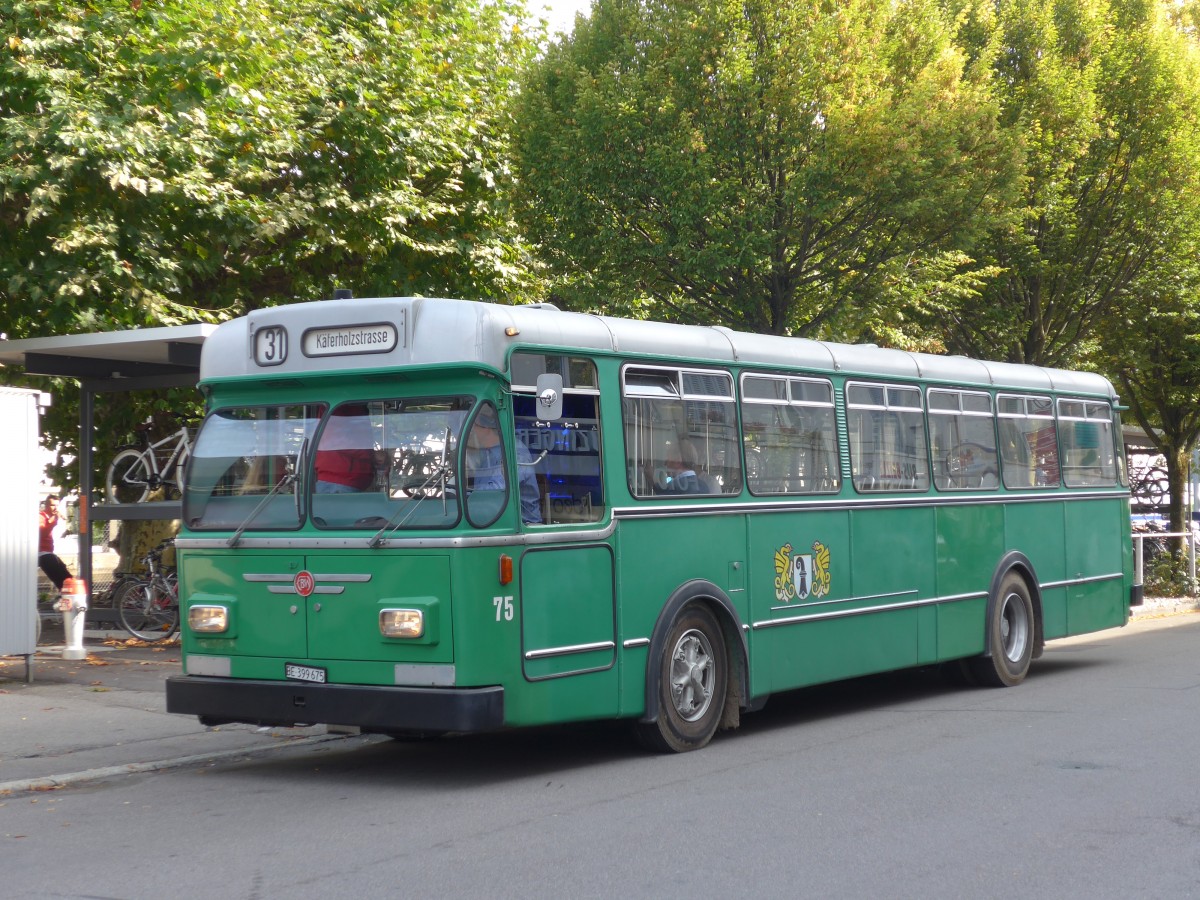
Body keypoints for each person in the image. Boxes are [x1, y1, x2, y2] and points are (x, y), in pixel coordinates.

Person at [465, 407, 542, 524]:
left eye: (474, 425)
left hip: (521, 527)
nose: (472, 430)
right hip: (491, 521)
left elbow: (496, 493)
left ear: (486, 427)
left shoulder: (515, 452)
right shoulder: (485, 452)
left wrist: (465, 497)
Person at [315, 404, 379, 493]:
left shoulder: (349, 404)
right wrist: (369, 455)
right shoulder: (340, 403)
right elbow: (334, 438)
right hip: (340, 480)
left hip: (344, 478)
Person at [38, 495, 73, 591]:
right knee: (60, 578)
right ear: (46, 505)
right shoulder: (40, 516)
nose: (56, 508)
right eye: (53, 505)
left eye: (57, 505)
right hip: (41, 553)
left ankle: (67, 594)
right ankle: (66, 594)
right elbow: (42, 532)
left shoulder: (51, 516)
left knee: (66, 575)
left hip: (48, 552)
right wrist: (53, 520)